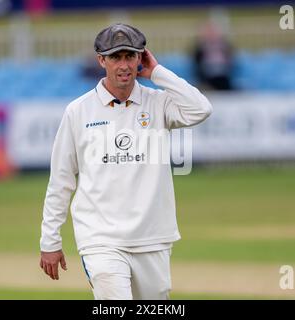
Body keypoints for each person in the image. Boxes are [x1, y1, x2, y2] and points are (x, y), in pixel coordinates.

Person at [39, 23, 212, 300]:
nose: (123, 65)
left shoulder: (158, 103)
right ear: (101, 60)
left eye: (130, 56)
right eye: (115, 57)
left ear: (140, 58)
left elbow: (201, 109)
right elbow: (61, 180)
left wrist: (157, 72)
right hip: (100, 239)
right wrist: (50, 239)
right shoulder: (78, 111)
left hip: (152, 236)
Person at [192, 22, 234, 91]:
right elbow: (197, 64)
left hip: (223, 77)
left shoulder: (224, 45)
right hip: (207, 77)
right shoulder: (200, 47)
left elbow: (230, 61)